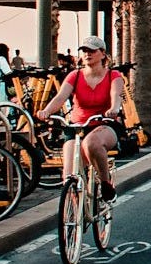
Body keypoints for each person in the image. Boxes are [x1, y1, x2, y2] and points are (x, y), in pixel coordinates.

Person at [35, 36, 124, 202]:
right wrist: (46, 111)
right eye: (84, 51)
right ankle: (75, 213)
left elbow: (116, 95)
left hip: (103, 124)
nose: (87, 54)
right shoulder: (74, 75)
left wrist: (113, 109)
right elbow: (61, 97)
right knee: (68, 175)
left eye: (92, 50)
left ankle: (105, 183)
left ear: (103, 54)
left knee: (91, 143)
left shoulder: (113, 75)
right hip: (77, 126)